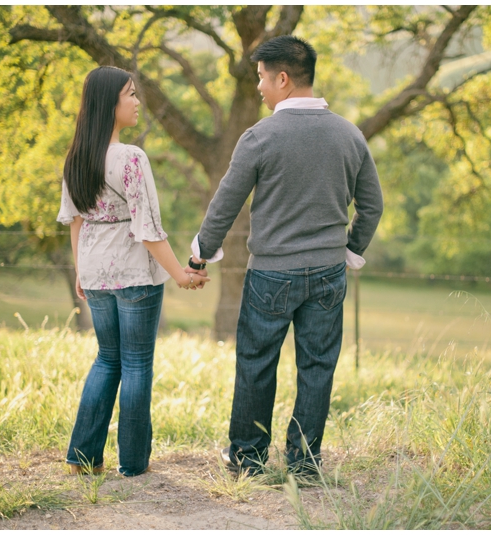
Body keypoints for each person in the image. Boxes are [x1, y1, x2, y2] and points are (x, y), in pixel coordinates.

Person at [187, 36, 383, 475]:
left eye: (261, 78)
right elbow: (372, 206)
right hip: (330, 274)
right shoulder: (350, 134)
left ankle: (248, 459)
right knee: (317, 367)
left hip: (272, 275)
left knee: (257, 364)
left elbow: (226, 202)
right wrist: (350, 251)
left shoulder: (260, 137)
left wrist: (200, 254)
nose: (258, 87)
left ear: (282, 78)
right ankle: (304, 463)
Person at [57, 66, 210, 477]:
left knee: (107, 359)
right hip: (132, 274)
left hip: (95, 271)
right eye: (130, 95)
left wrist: (80, 272)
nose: (138, 102)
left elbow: (75, 220)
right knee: (137, 364)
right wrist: (180, 273)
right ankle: (133, 463)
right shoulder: (129, 158)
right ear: (110, 104)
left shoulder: (76, 157)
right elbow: (147, 228)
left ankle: (81, 458)